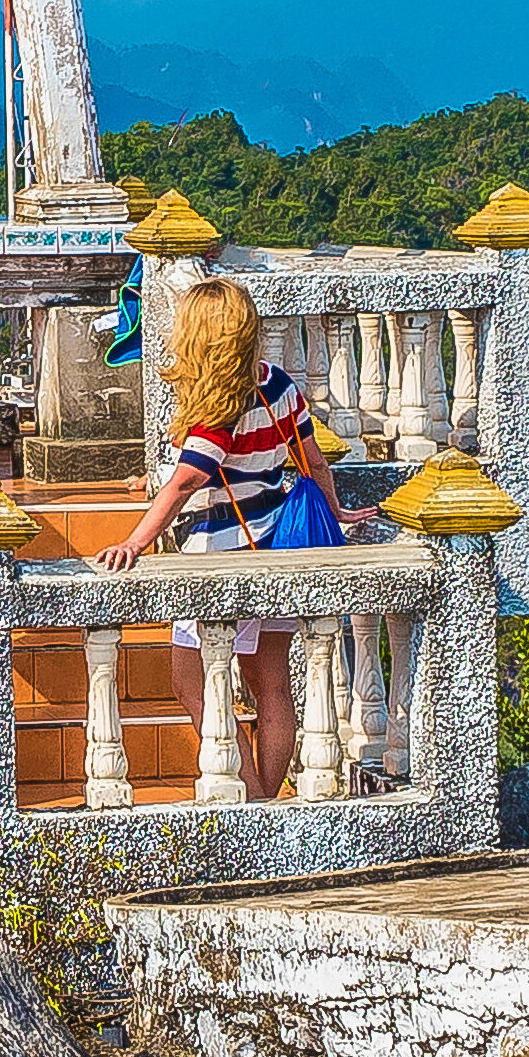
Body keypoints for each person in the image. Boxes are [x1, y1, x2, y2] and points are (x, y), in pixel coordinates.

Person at [91, 274, 367, 800]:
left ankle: (257, 796)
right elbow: (313, 462)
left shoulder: (218, 408)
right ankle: (265, 792)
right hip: (281, 546)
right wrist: (335, 511)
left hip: (222, 552)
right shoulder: (278, 385)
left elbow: (188, 480)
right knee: (272, 686)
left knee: (192, 682)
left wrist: (135, 540)